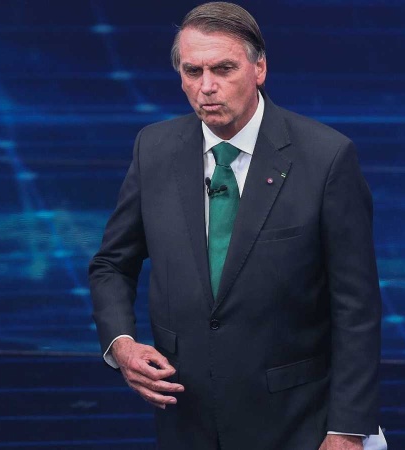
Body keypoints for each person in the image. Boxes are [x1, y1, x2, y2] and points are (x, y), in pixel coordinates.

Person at [88, 3, 383, 449]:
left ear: (259, 68)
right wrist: (121, 344)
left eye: (223, 69)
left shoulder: (327, 158)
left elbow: (356, 309)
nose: (206, 87)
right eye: (193, 71)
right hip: (186, 422)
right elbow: (111, 264)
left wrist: (345, 430)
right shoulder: (154, 149)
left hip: (295, 424)